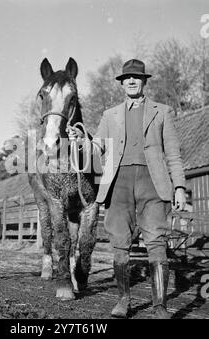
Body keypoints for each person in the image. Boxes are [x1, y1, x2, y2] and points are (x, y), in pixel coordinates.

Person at [67, 59, 186, 319]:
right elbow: (96, 147)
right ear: (122, 83)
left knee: (156, 242)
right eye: (127, 78)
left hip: (153, 184)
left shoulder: (162, 112)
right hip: (118, 184)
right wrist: (80, 141)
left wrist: (179, 186)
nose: (132, 81)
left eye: (136, 77)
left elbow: (174, 155)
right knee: (120, 244)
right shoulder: (110, 115)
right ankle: (123, 301)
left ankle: (159, 306)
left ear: (144, 81)